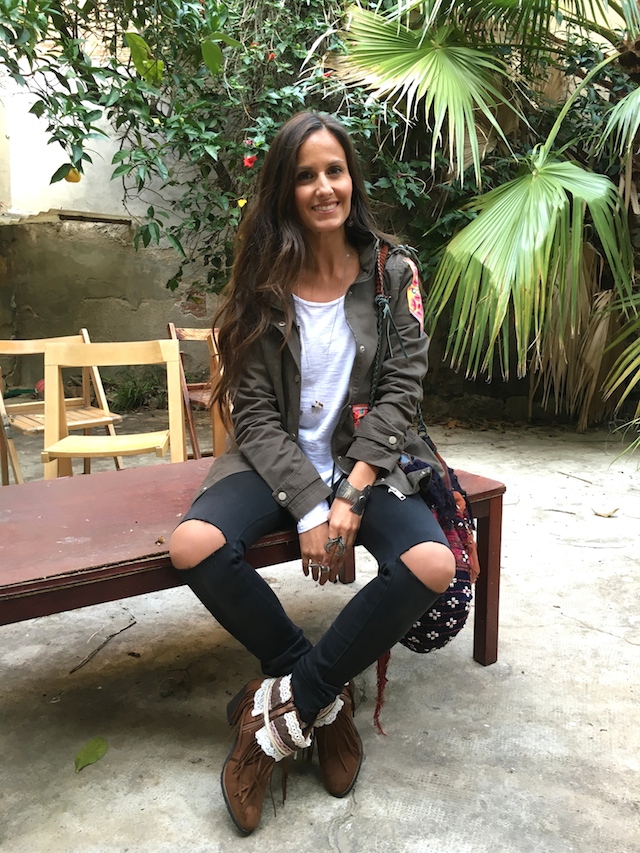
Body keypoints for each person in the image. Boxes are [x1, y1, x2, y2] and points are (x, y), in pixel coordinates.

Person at [168, 110, 456, 835]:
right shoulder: (263, 282)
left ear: (351, 179)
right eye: (306, 175)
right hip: (275, 459)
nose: (325, 187)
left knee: (431, 562)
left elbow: (402, 393)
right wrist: (308, 505)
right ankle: (323, 701)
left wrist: (352, 492)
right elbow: (254, 412)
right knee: (193, 543)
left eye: (335, 170)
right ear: (285, 189)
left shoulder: (393, 272)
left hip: (369, 458)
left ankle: (275, 716)